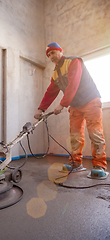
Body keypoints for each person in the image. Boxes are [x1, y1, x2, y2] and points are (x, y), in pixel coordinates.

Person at [34, 42, 107, 177]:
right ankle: (76, 163)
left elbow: (73, 84)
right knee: (75, 136)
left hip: (91, 100)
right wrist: (41, 109)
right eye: (48, 55)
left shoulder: (74, 62)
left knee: (95, 134)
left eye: (53, 52)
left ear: (61, 51)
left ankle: (99, 165)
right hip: (75, 105)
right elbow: (50, 92)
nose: (51, 56)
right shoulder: (55, 74)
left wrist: (62, 104)